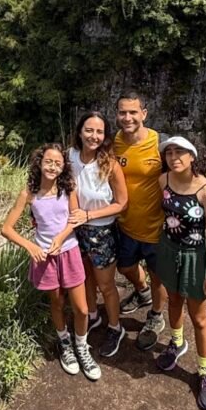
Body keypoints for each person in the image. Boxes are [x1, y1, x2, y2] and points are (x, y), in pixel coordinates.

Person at [113, 92, 206, 351]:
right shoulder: (113, 143)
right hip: (126, 224)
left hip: (158, 230)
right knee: (125, 267)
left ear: (144, 114)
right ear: (117, 114)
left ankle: (155, 316)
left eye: (133, 112)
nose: (127, 117)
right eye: (122, 112)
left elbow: (186, 168)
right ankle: (142, 292)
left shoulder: (159, 143)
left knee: (159, 278)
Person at [0, 143, 101, 381]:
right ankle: (65, 343)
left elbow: (74, 220)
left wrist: (60, 237)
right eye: (48, 161)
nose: (52, 167)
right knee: (56, 303)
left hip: (69, 250)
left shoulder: (68, 189)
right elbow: (6, 228)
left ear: (64, 166)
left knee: (82, 308)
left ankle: (82, 346)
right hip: (44, 256)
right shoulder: (29, 194)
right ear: (39, 162)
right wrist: (31, 246)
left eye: (58, 163)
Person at [153, 135, 206, 410]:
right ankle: (177, 343)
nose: (173, 158)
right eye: (169, 153)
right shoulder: (164, 181)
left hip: (195, 257)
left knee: (200, 317)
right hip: (168, 250)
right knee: (174, 301)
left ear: (193, 156)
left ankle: (204, 372)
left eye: (180, 152)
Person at [67, 111, 129, 358]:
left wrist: (89, 216)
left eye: (99, 131)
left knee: (106, 285)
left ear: (104, 136)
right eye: (89, 130)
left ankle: (115, 327)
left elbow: (122, 203)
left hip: (102, 232)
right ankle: (92, 315)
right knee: (85, 279)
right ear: (80, 132)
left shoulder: (110, 164)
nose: (93, 136)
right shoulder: (69, 157)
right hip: (77, 230)